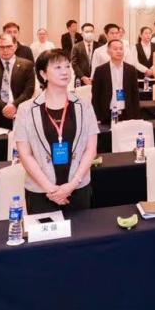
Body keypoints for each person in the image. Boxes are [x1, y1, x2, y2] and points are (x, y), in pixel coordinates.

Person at [13, 50, 99, 212]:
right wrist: (50, 189)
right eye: (58, 67)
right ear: (43, 74)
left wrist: (72, 184)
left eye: (67, 66)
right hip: (41, 192)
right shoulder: (26, 109)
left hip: (78, 188)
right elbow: (25, 154)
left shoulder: (84, 105)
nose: (65, 71)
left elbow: (91, 149)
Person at [0, 34, 35, 130]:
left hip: (20, 113)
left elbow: (28, 91)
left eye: (9, 46)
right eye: (1, 47)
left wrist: (14, 106)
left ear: (15, 46)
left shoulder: (27, 65)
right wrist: (5, 108)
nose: (5, 50)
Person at [91, 38, 142, 125]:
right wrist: (96, 116)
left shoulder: (131, 69)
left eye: (121, 49)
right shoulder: (100, 70)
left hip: (127, 113)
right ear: (108, 51)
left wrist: (136, 116)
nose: (119, 51)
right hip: (106, 113)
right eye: (115, 49)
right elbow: (96, 96)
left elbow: (135, 95)